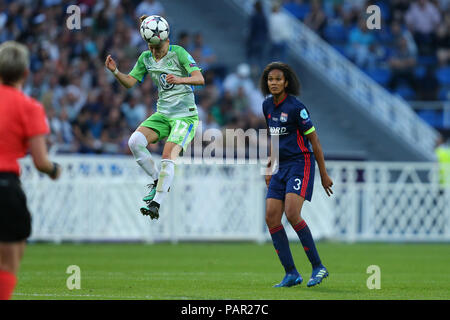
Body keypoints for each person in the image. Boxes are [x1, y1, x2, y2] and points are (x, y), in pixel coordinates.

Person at [105, 15, 204, 219]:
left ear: (166, 40)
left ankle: (156, 203)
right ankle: (158, 178)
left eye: (156, 47)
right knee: (134, 141)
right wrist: (115, 72)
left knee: (168, 155)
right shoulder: (145, 58)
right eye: (150, 46)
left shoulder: (179, 53)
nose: (153, 51)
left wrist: (179, 79)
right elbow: (130, 82)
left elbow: (199, 79)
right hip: (162, 114)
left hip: (184, 117)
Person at [260, 62, 333, 287]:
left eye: (278, 79)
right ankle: (291, 273)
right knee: (271, 217)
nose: (273, 83)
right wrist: (270, 164)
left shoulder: (296, 108)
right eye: (270, 79)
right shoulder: (267, 106)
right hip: (281, 167)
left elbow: (314, 140)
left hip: (301, 164)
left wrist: (323, 173)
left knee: (292, 213)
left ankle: (318, 266)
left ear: (286, 82)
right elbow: (274, 138)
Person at [0, 41, 61, 300]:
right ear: (25, 73)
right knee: (8, 263)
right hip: (5, 187)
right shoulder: (30, 108)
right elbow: (40, 161)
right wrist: (54, 170)